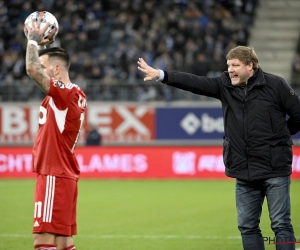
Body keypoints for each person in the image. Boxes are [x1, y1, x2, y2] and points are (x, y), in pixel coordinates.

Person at [137, 46, 300, 250]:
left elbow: (298, 115)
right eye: (228, 65)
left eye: (235, 65)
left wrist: (280, 137)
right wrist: (162, 75)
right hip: (244, 171)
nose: (230, 70)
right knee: (247, 227)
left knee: (281, 225)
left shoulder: (275, 85)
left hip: (274, 169)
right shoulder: (225, 84)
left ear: (250, 66)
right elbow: (195, 82)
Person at [25, 16, 87, 250]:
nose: (40, 70)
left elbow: (31, 68)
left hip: (54, 174)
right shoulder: (72, 94)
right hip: (63, 174)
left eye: (45, 67)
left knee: (43, 240)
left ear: (57, 69)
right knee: (62, 242)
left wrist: (33, 40)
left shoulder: (67, 93)